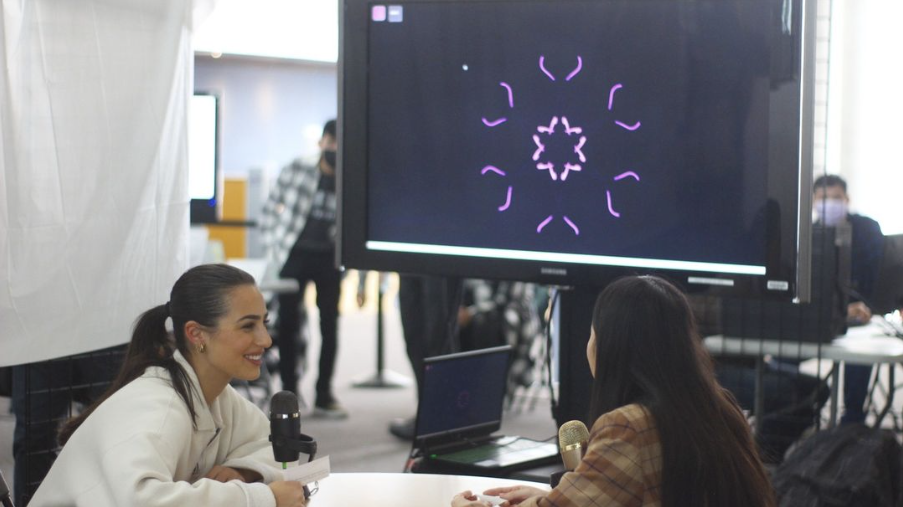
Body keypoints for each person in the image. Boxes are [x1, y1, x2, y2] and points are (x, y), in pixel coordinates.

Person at [452, 276, 775, 507]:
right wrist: (550, 496)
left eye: (593, 333)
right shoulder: (719, 408)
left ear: (611, 346)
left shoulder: (628, 427)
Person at [29, 264, 307, 507]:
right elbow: (142, 500)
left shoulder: (219, 396)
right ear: (196, 334)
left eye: (264, 323)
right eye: (248, 326)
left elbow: (271, 449)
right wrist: (262, 499)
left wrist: (243, 472)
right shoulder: (158, 406)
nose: (266, 340)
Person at [260, 119, 346, 418]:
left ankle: (324, 394)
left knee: (330, 325)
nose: (335, 149)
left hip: (331, 259)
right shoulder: (299, 168)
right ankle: (289, 393)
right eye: (331, 142)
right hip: (294, 255)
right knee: (287, 324)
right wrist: (274, 246)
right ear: (322, 142)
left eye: (340, 143)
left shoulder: (352, 176)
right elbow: (269, 208)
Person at [813, 174, 884, 424]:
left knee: (858, 352)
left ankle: (851, 422)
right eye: (823, 198)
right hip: (816, 319)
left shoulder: (866, 230)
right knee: (782, 359)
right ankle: (797, 410)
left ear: (847, 199)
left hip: (861, 318)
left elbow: (875, 279)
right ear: (812, 201)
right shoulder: (807, 234)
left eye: (835, 198)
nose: (829, 204)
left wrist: (863, 306)